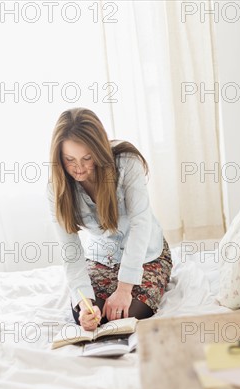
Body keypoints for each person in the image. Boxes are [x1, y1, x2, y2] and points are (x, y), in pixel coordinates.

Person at [47, 107, 172, 331]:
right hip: (102, 257)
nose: (79, 168)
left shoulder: (126, 163)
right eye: (69, 159)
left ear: (99, 150)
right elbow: (71, 251)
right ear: (59, 158)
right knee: (88, 317)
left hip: (146, 254)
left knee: (124, 315)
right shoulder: (56, 188)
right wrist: (84, 303)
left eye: (87, 158)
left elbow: (140, 225)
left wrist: (124, 289)